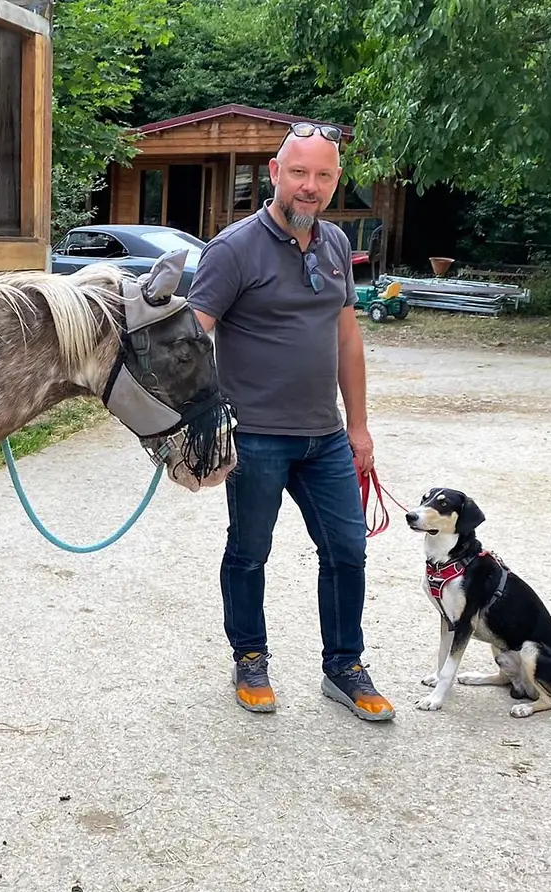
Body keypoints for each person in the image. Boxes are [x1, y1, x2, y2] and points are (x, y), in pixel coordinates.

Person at [185, 123, 394, 722]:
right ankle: (249, 656)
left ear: (335, 181)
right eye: (298, 172)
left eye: (324, 175)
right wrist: (190, 423)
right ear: (274, 174)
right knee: (250, 552)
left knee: (347, 551)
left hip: (324, 437)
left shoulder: (332, 246)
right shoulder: (233, 249)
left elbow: (347, 338)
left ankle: (343, 665)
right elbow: (192, 340)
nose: (311, 186)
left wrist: (358, 426)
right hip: (254, 437)